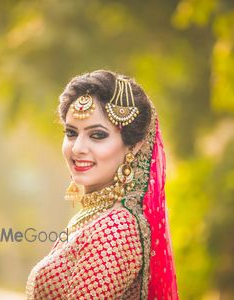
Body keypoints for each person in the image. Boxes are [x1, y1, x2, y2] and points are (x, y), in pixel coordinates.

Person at [26, 70, 179, 299]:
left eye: (97, 135)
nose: (77, 148)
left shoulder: (115, 228)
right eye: (70, 133)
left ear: (133, 146)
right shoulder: (95, 217)